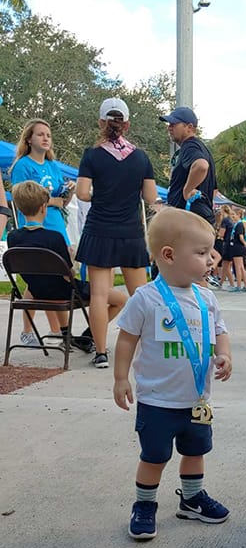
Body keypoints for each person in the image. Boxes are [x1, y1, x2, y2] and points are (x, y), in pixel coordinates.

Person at [113, 207, 233, 541]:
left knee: (195, 452)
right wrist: (120, 378)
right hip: (158, 400)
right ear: (168, 255)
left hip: (196, 399)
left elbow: (220, 330)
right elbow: (126, 339)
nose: (211, 259)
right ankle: (144, 505)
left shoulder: (206, 298)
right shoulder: (146, 298)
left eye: (210, 252)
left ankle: (192, 499)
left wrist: (224, 354)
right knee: (154, 457)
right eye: (201, 253)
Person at [75, 98, 157, 369]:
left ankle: (100, 353)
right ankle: (151, 348)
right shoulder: (141, 157)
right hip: (131, 231)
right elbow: (150, 197)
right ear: (127, 125)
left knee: (99, 294)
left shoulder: (91, 155)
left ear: (101, 123)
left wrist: (101, 195)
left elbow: (82, 193)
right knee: (142, 294)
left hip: (99, 229)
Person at [8, 181, 124, 351]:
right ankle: (88, 336)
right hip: (64, 291)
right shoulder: (54, 237)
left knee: (53, 284)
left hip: (37, 291)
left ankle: (66, 334)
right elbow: (67, 273)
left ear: (18, 208)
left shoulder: (13, 237)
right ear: (44, 208)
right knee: (121, 300)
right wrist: (72, 257)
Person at [9, 118, 76, 341]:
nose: (46, 138)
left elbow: (62, 202)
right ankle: (27, 331)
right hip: (35, 228)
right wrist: (53, 201)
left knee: (56, 277)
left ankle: (60, 330)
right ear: (29, 139)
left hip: (56, 227)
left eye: (48, 135)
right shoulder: (23, 166)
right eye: (40, 134)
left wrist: (68, 193)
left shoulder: (52, 165)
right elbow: (23, 196)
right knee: (36, 280)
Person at [160, 106, 216, 225]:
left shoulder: (189, 146)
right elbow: (214, 190)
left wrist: (187, 190)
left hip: (187, 221)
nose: (169, 128)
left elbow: (201, 166)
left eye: (174, 124)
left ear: (189, 127)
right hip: (200, 220)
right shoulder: (203, 149)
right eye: (169, 124)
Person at [227, 207, 246, 292]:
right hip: (237, 246)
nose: (232, 216)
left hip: (237, 247)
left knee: (238, 267)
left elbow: (241, 237)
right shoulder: (237, 224)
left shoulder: (239, 224)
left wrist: (245, 243)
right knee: (241, 267)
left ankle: (239, 286)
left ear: (239, 215)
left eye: (234, 214)